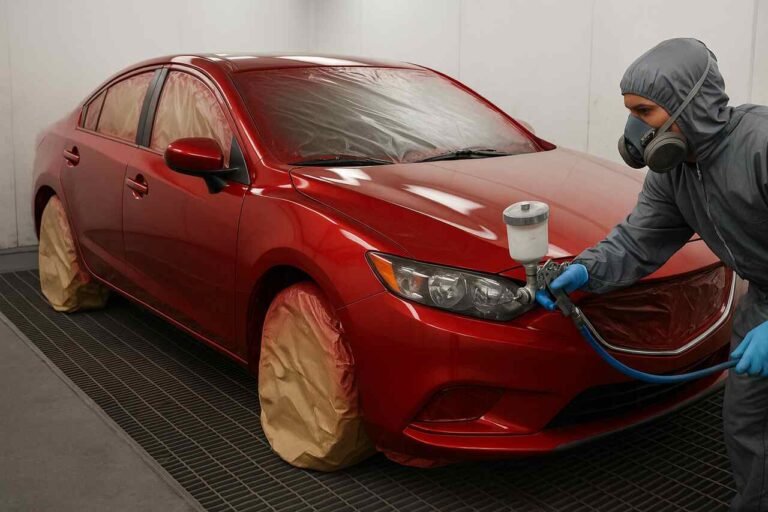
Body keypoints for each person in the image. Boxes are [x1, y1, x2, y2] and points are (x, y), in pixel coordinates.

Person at [535, 38, 768, 512]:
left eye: (645, 111)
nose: (635, 129)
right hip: (761, 303)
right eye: (630, 112)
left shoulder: (761, 145)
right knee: (748, 421)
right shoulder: (676, 171)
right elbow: (641, 238)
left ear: (691, 103)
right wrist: (584, 270)